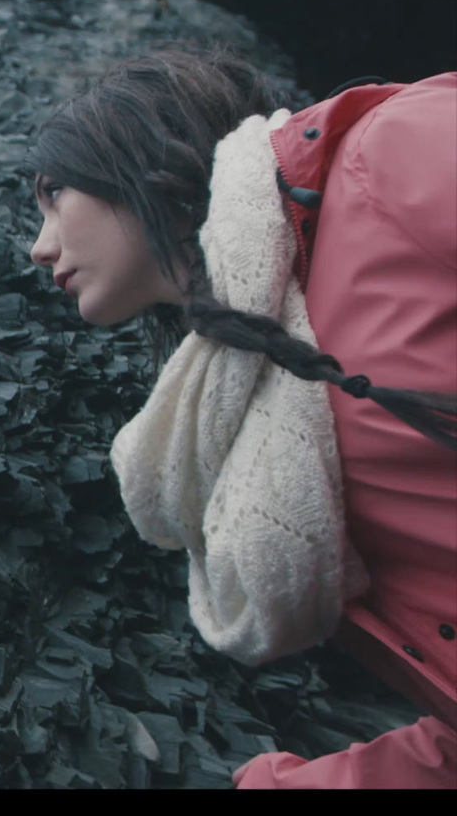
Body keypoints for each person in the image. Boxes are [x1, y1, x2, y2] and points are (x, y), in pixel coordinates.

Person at [25, 45, 457, 789]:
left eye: (52, 195)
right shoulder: (250, 403)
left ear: (129, 152)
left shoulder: (389, 153)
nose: (39, 248)